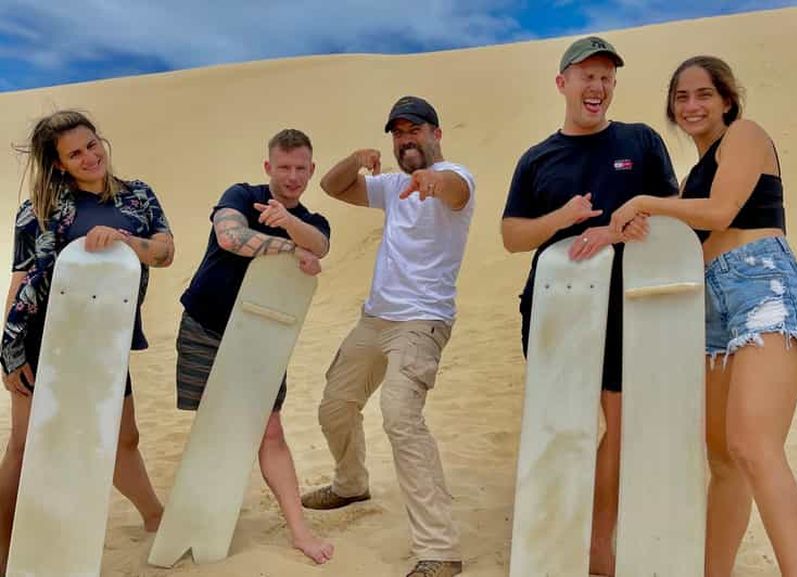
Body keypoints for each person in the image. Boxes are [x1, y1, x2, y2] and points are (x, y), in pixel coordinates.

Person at [610, 55, 797, 577]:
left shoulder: (746, 136)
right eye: (681, 97)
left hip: (760, 284)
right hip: (712, 307)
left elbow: (720, 213)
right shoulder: (695, 176)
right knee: (722, 461)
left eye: (703, 95)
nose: (691, 105)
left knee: (754, 447)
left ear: (727, 100)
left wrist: (649, 201)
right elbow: (690, 235)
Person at [500, 36, 679, 576]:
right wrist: (562, 218)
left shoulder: (641, 141)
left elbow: (673, 213)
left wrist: (627, 224)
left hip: (628, 306)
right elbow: (511, 235)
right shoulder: (538, 158)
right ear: (563, 84)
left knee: (620, 428)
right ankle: (556, 534)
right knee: (563, 423)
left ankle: (599, 546)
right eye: (586, 76)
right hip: (557, 305)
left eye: (606, 77)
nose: (596, 87)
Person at [301, 96, 475, 577]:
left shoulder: (457, 177)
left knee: (400, 416)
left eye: (414, 130)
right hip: (375, 320)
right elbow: (333, 187)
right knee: (335, 405)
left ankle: (440, 549)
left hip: (422, 322)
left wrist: (435, 181)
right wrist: (357, 161)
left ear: (436, 134)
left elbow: (456, 191)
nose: (406, 140)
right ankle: (351, 483)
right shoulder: (393, 186)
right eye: (398, 134)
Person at [0, 110, 173, 573]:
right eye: (75, 153)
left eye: (92, 144)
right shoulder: (41, 208)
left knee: (124, 438)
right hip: (46, 337)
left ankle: (154, 515)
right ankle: (2, 552)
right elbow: (21, 279)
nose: (89, 157)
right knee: (25, 445)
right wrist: (9, 349)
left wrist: (122, 240)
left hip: (107, 335)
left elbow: (165, 252)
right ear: (59, 164)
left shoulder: (137, 196)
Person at [176, 128, 333, 564]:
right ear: (269, 167)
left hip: (264, 337)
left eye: (301, 168)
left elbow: (319, 245)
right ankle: (194, 523)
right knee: (212, 427)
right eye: (284, 167)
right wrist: (287, 245)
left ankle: (299, 530)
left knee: (270, 430)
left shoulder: (314, 221)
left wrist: (291, 223)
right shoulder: (243, 195)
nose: (293, 176)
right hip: (205, 326)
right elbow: (229, 237)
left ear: (311, 169)